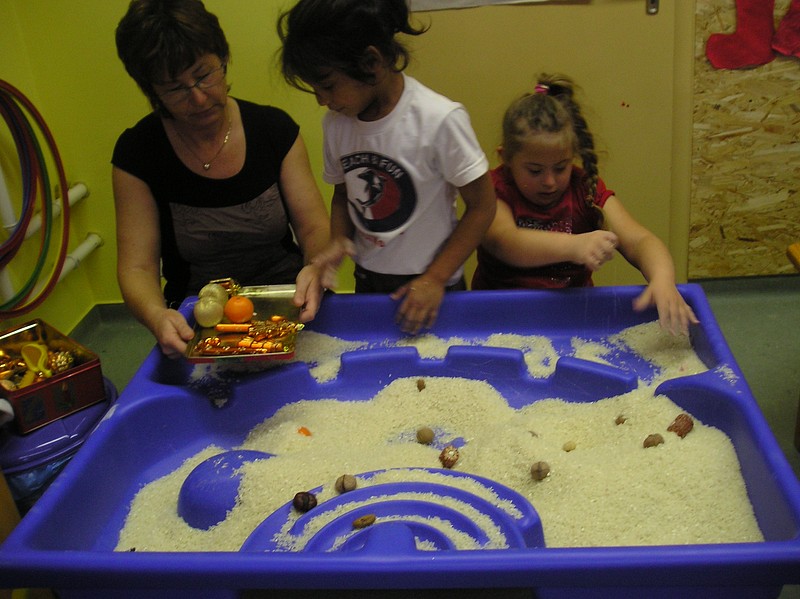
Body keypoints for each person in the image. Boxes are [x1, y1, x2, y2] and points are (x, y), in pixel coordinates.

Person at [112, 0, 330, 359]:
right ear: (152, 91)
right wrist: (156, 316)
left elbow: (314, 228)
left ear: (223, 59)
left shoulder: (274, 130)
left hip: (290, 303)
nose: (198, 98)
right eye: (175, 88)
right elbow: (138, 266)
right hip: (198, 322)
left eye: (204, 75)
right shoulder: (138, 152)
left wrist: (317, 267)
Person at [277, 0, 496, 335]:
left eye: (328, 86)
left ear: (372, 62)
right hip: (369, 279)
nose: (322, 100)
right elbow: (344, 194)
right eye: (315, 90)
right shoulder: (336, 124)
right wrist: (338, 241)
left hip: (435, 283)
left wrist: (435, 278)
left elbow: (482, 207)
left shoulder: (439, 120)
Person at [472, 74, 698, 335]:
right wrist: (574, 246)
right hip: (499, 320)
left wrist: (662, 279)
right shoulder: (495, 190)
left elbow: (639, 240)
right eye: (534, 171)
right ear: (506, 158)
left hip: (571, 319)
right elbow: (505, 242)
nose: (549, 181)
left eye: (561, 167)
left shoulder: (584, 189)